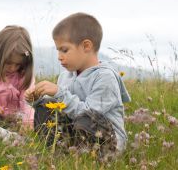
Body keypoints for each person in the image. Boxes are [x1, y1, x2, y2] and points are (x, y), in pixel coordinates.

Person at [26, 12, 131, 159]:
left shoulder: (105, 77)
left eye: (64, 50)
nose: (59, 56)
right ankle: (55, 153)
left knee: (86, 119)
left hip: (107, 143)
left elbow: (90, 114)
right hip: (75, 136)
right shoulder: (66, 76)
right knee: (45, 107)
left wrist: (59, 93)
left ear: (86, 46)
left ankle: (91, 159)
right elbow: (62, 109)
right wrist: (36, 100)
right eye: (57, 50)